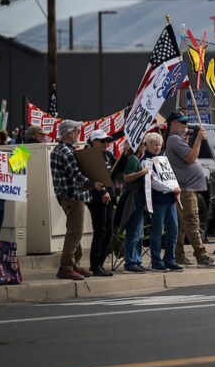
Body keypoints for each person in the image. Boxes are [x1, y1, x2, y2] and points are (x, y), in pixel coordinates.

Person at [165, 111, 215, 268]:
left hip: (186, 188)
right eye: (182, 122)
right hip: (186, 189)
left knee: (181, 225)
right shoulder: (174, 139)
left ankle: (179, 255)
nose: (185, 125)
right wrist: (199, 139)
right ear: (173, 124)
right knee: (192, 222)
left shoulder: (176, 139)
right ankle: (201, 256)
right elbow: (191, 158)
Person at [50, 120, 102, 280]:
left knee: (75, 230)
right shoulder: (66, 152)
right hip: (73, 196)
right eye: (77, 131)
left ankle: (73, 264)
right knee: (75, 231)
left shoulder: (62, 150)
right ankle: (66, 267)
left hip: (68, 196)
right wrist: (93, 184)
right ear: (69, 133)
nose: (78, 134)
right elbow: (77, 177)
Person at [143, 132, 184, 272]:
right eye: (154, 144)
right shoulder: (146, 161)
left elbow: (170, 176)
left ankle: (170, 259)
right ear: (147, 145)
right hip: (158, 200)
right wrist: (172, 188)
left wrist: (175, 188)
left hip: (170, 199)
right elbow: (154, 183)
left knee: (174, 229)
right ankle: (156, 261)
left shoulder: (163, 159)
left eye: (159, 144)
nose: (157, 147)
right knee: (157, 231)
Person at [85, 130, 117, 277]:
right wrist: (101, 192)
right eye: (103, 141)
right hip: (96, 198)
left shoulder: (108, 154)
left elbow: (117, 170)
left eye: (107, 141)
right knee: (100, 231)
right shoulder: (89, 155)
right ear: (94, 142)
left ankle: (100, 264)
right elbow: (90, 178)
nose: (106, 144)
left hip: (109, 196)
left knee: (109, 231)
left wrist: (127, 154)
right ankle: (94, 264)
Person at [120, 141, 150, 273]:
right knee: (134, 231)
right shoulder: (133, 159)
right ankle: (131, 262)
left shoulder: (136, 158)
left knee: (139, 232)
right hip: (133, 198)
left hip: (139, 198)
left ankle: (137, 260)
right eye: (143, 143)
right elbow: (126, 177)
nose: (144, 146)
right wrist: (142, 172)